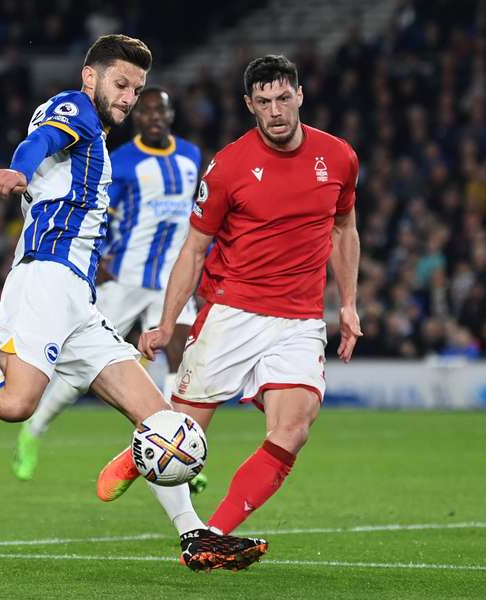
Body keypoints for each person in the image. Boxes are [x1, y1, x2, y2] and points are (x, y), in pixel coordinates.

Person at [0, 34, 266, 572]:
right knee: (16, 404)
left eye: (137, 89)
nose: (129, 97)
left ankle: (195, 536)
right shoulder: (75, 108)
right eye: (121, 84)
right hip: (45, 281)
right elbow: (41, 142)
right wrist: (18, 168)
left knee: (160, 421)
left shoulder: (99, 138)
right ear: (91, 77)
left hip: (77, 298)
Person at [94, 55, 362, 562]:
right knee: (179, 434)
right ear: (249, 106)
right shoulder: (229, 166)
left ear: (300, 96)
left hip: (301, 319)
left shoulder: (339, 157)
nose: (276, 111)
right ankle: (137, 456)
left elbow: (344, 230)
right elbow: (194, 249)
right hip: (231, 312)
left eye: (284, 98)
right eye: (264, 102)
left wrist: (347, 304)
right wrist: (167, 321)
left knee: (292, 431)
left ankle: (209, 537)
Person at [12, 86, 203, 482]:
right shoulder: (122, 161)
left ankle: (174, 447)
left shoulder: (190, 156)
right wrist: (99, 258)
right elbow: (96, 209)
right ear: (137, 119)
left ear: (170, 116)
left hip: (170, 280)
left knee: (181, 359)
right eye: (145, 112)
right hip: (125, 279)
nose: (152, 118)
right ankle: (34, 429)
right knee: (81, 368)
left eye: (159, 112)